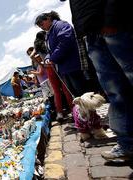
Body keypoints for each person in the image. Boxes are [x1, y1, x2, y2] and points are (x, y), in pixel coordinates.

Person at [63, 0, 133, 161]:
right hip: (89, 29)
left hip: (112, 21)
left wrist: (111, 15)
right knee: (115, 91)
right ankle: (127, 142)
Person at [35, 11, 88, 97]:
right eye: (39, 26)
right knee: (74, 94)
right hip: (64, 68)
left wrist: (53, 58)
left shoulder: (61, 25)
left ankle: (90, 110)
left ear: (48, 19)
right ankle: (82, 110)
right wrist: (48, 58)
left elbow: (65, 42)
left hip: (72, 65)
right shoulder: (49, 33)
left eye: (41, 24)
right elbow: (50, 50)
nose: (41, 27)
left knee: (82, 93)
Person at [32, 31, 73, 120]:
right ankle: (73, 110)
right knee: (65, 89)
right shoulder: (47, 42)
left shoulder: (36, 46)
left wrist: (41, 64)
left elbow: (32, 56)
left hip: (48, 68)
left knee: (56, 92)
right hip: (55, 65)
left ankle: (59, 113)